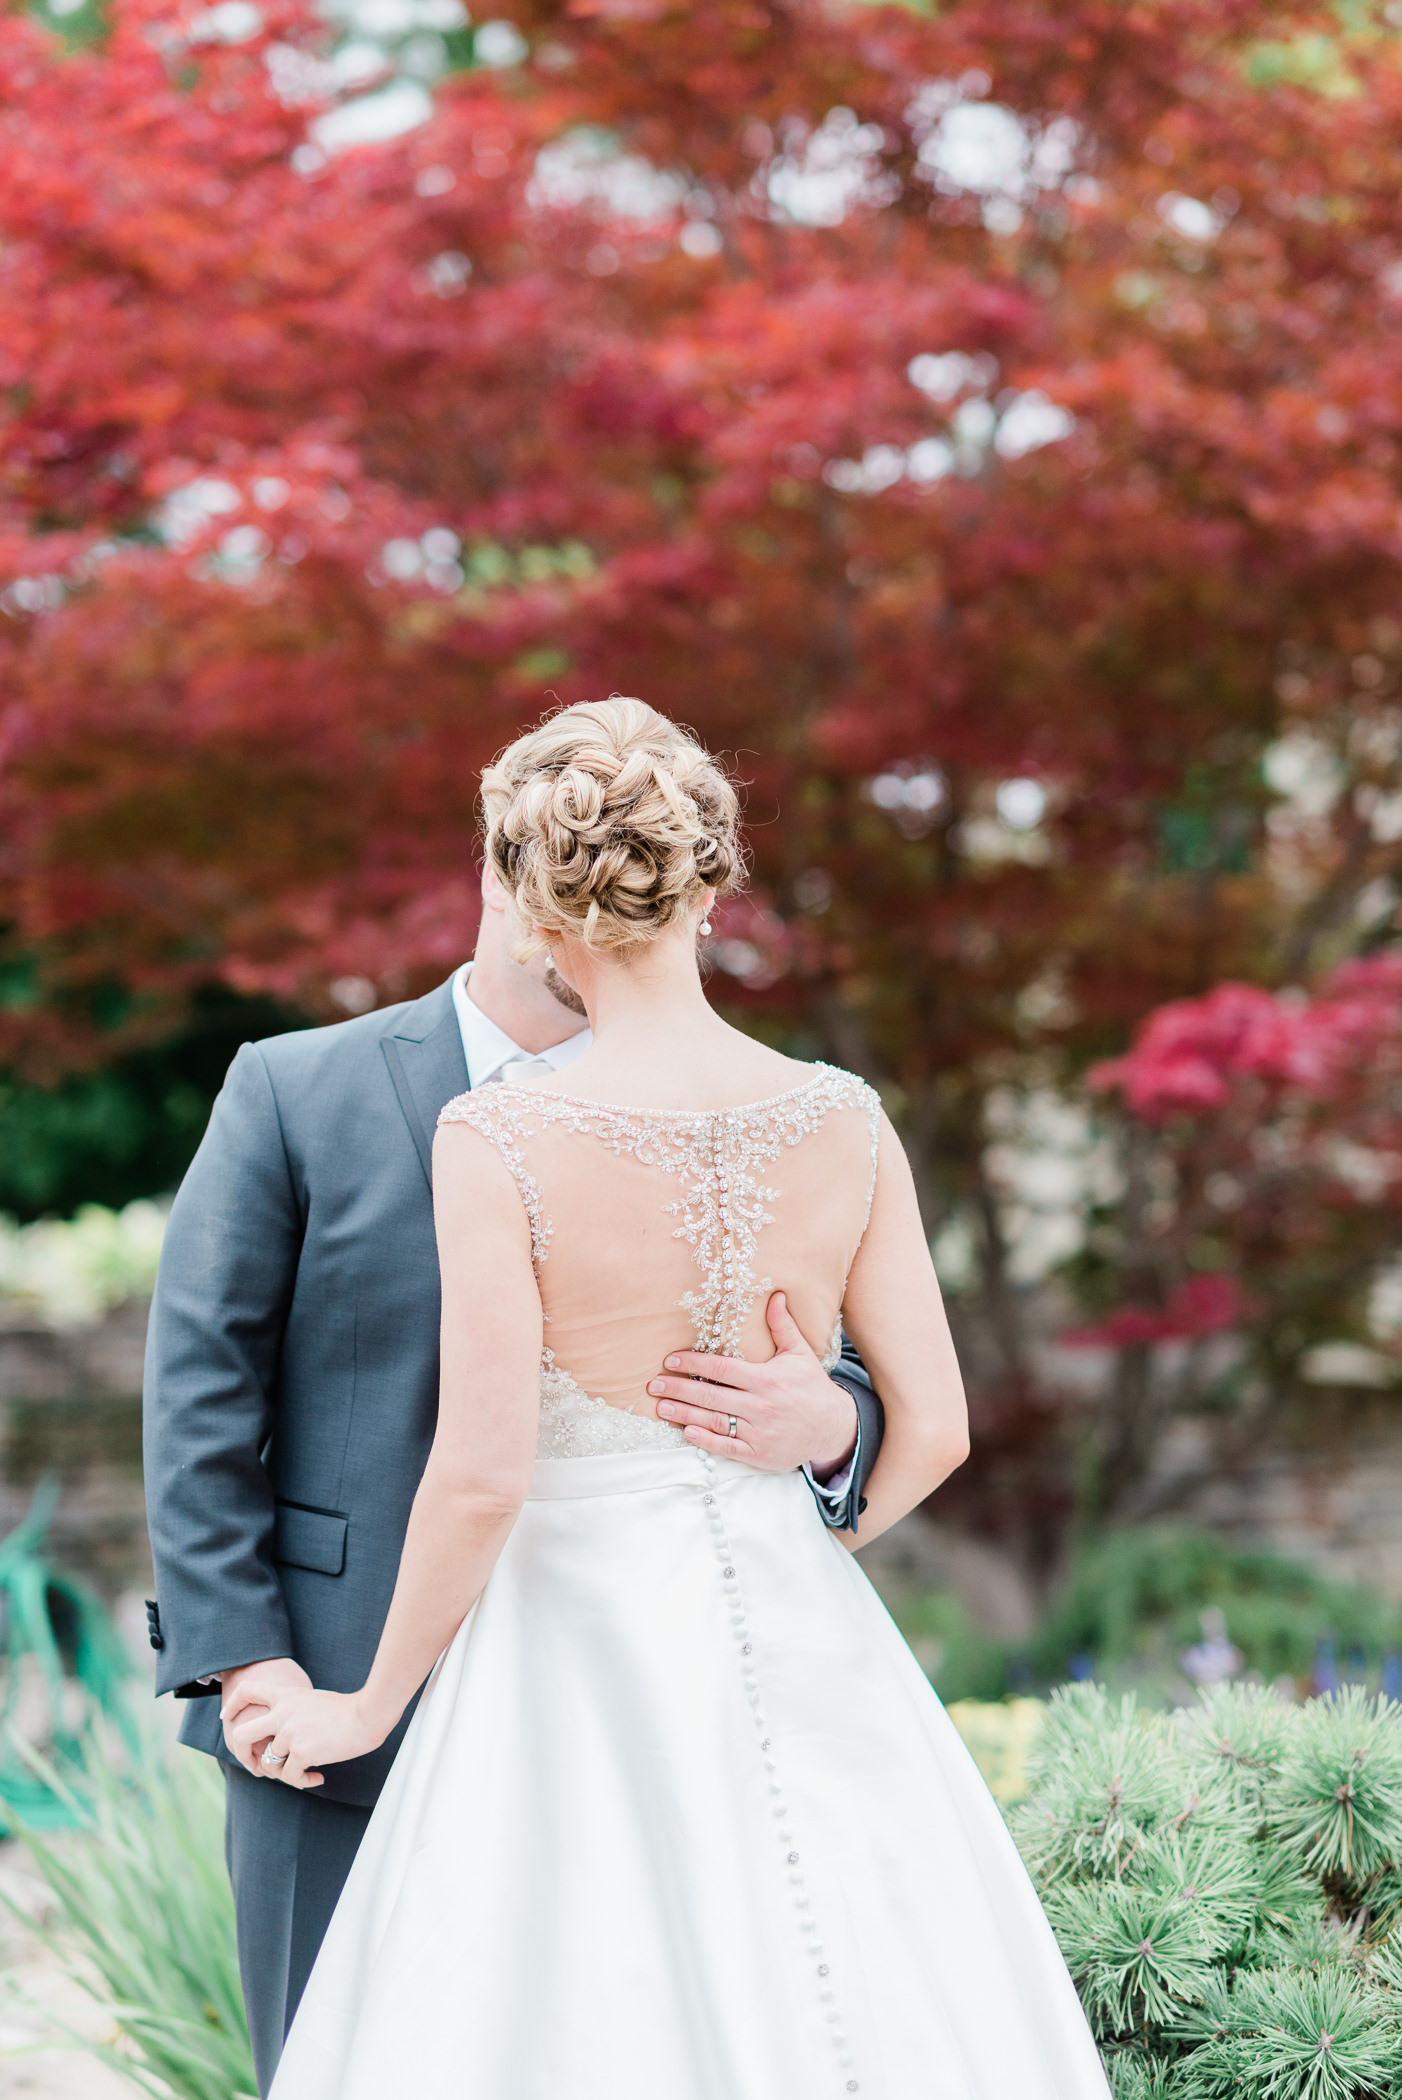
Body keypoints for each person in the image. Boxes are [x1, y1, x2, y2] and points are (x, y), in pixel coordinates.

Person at [236, 697, 1109, 2100]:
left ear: (533, 911)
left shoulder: (499, 1135)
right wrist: (787, 1542)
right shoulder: (841, 1115)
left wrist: (368, 1703)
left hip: (561, 1637)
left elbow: (479, 1475)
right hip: (794, 1611)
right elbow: (931, 1427)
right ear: (708, 887)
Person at [142, 734, 884, 2097]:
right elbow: (199, 1401)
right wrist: (253, 1668)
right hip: (341, 1695)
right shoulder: (296, 1089)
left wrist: (831, 1423)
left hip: (640, 1702)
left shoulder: (753, 1107)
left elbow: (850, 1364)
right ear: (499, 871)